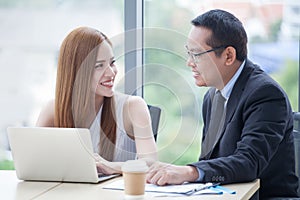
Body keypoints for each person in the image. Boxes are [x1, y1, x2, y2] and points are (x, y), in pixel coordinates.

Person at [146, 9, 299, 199]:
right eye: (189, 53)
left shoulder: (266, 94)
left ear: (228, 55)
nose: (189, 62)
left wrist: (189, 171)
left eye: (196, 54)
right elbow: (210, 163)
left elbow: (248, 163)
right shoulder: (212, 96)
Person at [36, 26, 157, 174]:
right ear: (77, 71)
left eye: (112, 62)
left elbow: (151, 163)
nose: (111, 72)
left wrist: (111, 167)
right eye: (99, 66)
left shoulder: (133, 107)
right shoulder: (53, 109)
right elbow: (35, 163)